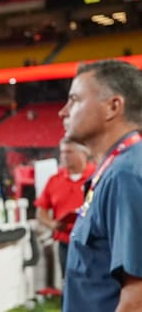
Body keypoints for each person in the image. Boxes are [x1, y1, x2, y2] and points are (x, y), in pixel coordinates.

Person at [59, 59, 142, 312]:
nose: (63, 111)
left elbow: (136, 298)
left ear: (112, 107)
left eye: (74, 100)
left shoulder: (125, 175)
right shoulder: (117, 169)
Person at [34, 138, 95, 279]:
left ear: (83, 153)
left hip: (93, 242)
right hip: (66, 242)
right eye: (62, 152)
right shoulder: (54, 180)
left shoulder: (97, 175)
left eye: (69, 152)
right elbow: (41, 211)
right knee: (68, 282)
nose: (64, 156)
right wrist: (53, 225)